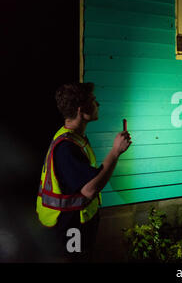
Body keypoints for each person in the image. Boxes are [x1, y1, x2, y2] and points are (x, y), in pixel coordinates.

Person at [36, 82, 131, 262]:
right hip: (68, 230)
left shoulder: (72, 138)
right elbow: (90, 189)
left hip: (71, 227)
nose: (98, 105)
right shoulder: (66, 147)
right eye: (94, 101)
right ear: (81, 110)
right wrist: (115, 152)